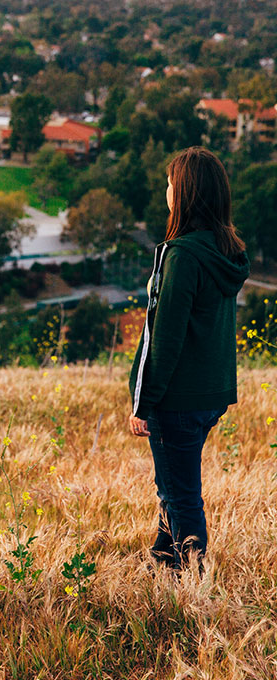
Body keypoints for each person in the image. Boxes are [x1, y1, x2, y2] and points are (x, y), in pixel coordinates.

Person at [129, 147, 249, 571]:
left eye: (169, 184)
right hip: (210, 394)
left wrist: (144, 403)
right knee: (174, 486)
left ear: (184, 194)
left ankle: (194, 584)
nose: (166, 190)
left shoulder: (181, 255)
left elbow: (165, 339)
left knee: (180, 494)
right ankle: (163, 564)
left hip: (176, 400)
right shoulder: (225, 251)